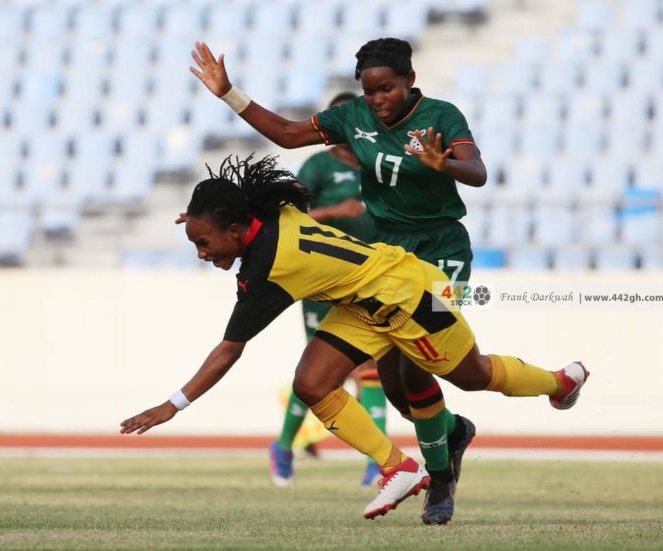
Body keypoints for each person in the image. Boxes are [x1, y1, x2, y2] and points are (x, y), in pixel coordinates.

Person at [120, 155, 589, 524]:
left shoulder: (266, 269)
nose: (202, 253)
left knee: (472, 375)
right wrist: (203, 217)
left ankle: (559, 383)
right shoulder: (266, 213)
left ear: (237, 231)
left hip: (412, 294)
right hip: (364, 304)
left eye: (204, 243)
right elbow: (247, 204)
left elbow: (230, 349)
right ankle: (398, 467)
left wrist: (173, 405)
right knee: (312, 382)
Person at [189, 37, 484, 524]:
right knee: (393, 386)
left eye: (385, 88)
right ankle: (451, 435)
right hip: (387, 259)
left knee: (421, 365)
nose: (375, 99)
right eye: (368, 92)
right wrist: (229, 93)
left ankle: (440, 485)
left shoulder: (441, 115)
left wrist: (445, 164)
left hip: (443, 253)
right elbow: (285, 133)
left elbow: (478, 171)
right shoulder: (353, 120)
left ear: (410, 81)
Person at [269, 91, 387, 488]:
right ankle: (284, 446)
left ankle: (377, 457)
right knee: (324, 374)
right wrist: (336, 212)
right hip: (323, 279)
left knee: (372, 369)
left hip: (369, 277)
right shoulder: (318, 166)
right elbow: (291, 219)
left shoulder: (376, 161)